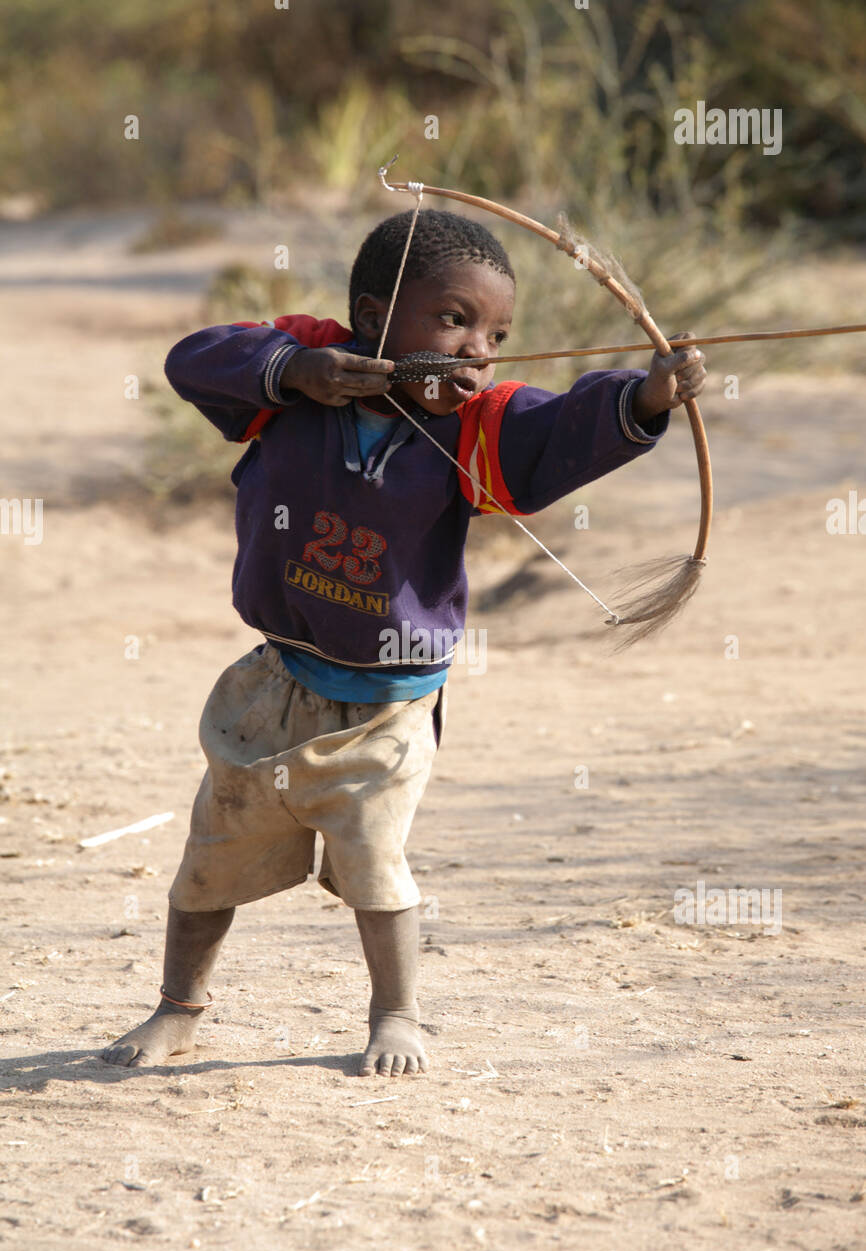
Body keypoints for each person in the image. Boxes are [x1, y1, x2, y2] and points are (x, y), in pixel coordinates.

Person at [101, 207, 706, 1077]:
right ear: (375, 315)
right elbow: (195, 359)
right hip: (275, 679)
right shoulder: (298, 377)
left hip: (389, 702)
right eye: (453, 320)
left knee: (376, 865)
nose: (477, 351)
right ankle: (176, 1008)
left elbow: (559, 429)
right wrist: (298, 370)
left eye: (497, 334)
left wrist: (647, 396)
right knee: (213, 854)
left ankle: (396, 1015)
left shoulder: (479, 426)